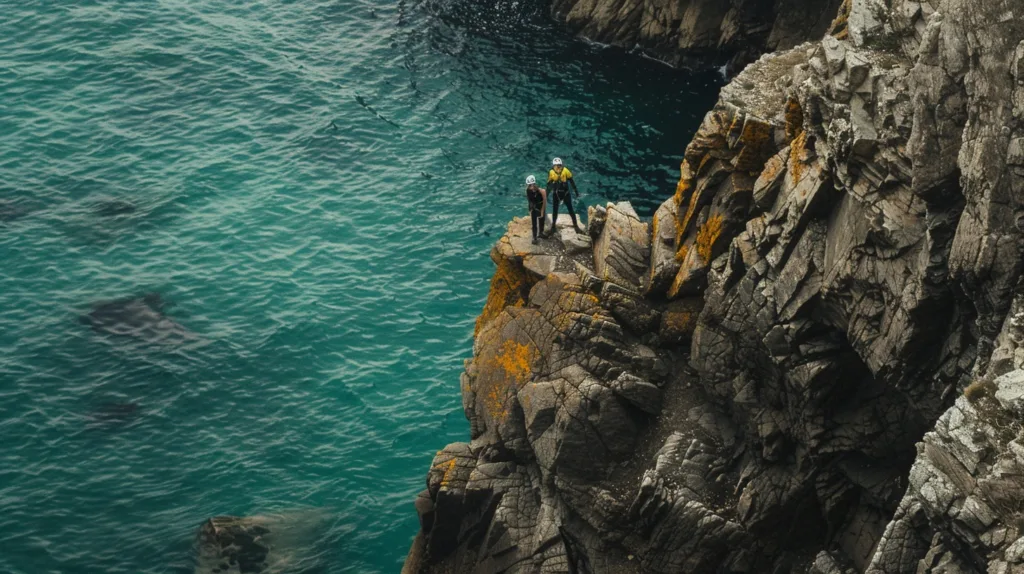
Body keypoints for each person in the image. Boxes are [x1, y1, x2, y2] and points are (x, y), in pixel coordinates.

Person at [545, 157, 582, 235]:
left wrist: (576, 192)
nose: (558, 167)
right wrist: (546, 194)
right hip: (556, 194)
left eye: (559, 165)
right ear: (553, 166)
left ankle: (576, 226)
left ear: (561, 165)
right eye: (556, 166)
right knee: (555, 211)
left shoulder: (565, 171)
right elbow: (549, 185)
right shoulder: (551, 172)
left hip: (565, 194)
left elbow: (572, 181)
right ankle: (553, 227)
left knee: (570, 210)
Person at [525, 175, 546, 244]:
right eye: (529, 185)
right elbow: (529, 200)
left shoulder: (542, 191)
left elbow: (544, 201)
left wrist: (542, 211)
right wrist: (530, 210)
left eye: (532, 185)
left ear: (534, 184)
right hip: (533, 208)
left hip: (540, 207)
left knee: (541, 220)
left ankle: (541, 233)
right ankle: (534, 237)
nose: (531, 187)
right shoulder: (528, 190)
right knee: (534, 223)